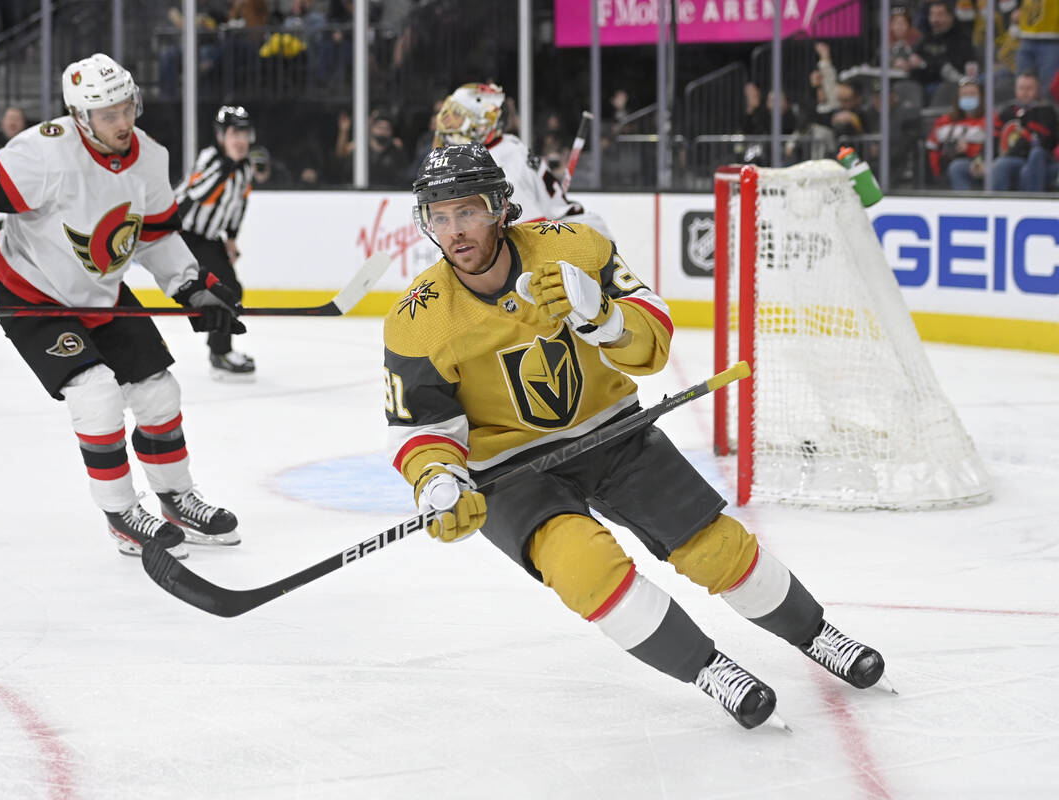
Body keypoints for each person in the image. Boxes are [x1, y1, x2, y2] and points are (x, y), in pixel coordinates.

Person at [383, 143, 890, 730]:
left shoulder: (573, 247)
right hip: (508, 471)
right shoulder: (418, 318)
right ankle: (709, 670)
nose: (454, 232)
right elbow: (422, 425)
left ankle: (816, 633)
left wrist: (604, 316)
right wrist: (436, 477)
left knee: (712, 546)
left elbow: (653, 346)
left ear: (498, 207)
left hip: (611, 432)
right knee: (583, 568)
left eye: (466, 212)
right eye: (439, 217)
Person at [0, 53, 243, 560]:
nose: (122, 122)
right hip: (32, 291)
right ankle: (122, 515)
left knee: (159, 393)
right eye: (107, 114)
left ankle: (176, 498)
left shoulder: (150, 156)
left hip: (102, 290)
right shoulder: (45, 153)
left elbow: (153, 236)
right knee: (95, 394)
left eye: (126, 108)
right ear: (80, 117)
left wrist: (192, 286)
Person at [432, 82, 612, 238]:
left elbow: (529, 229)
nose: (446, 124)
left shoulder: (496, 161)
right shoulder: (505, 145)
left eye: (457, 117)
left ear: (481, 123)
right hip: (566, 230)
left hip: (571, 239)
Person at [174, 104, 257, 379]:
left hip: (209, 238)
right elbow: (198, 192)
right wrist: (227, 164)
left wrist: (231, 240)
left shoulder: (244, 168)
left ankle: (219, 349)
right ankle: (220, 351)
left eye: (245, 134)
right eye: (235, 134)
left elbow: (238, 205)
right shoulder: (210, 158)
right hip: (182, 235)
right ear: (222, 136)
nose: (241, 141)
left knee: (232, 290)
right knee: (223, 290)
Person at [991, 70, 1059, 191]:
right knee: (1001, 165)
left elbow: (1046, 140)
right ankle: (999, 208)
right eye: (1021, 88)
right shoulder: (1007, 111)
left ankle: (1033, 204)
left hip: (1042, 158)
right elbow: (996, 138)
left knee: (1036, 153)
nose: (1025, 92)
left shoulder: (1047, 110)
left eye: (1029, 88)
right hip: (1016, 157)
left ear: (1038, 90)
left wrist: (1024, 142)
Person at [925, 76, 987, 189]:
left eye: (972, 94)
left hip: (977, 165)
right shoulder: (944, 121)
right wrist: (937, 175)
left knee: (957, 167)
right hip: (946, 168)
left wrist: (969, 149)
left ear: (981, 97)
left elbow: (994, 147)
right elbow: (932, 149)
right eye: (964, 95)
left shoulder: (990, 120)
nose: (968, 97)